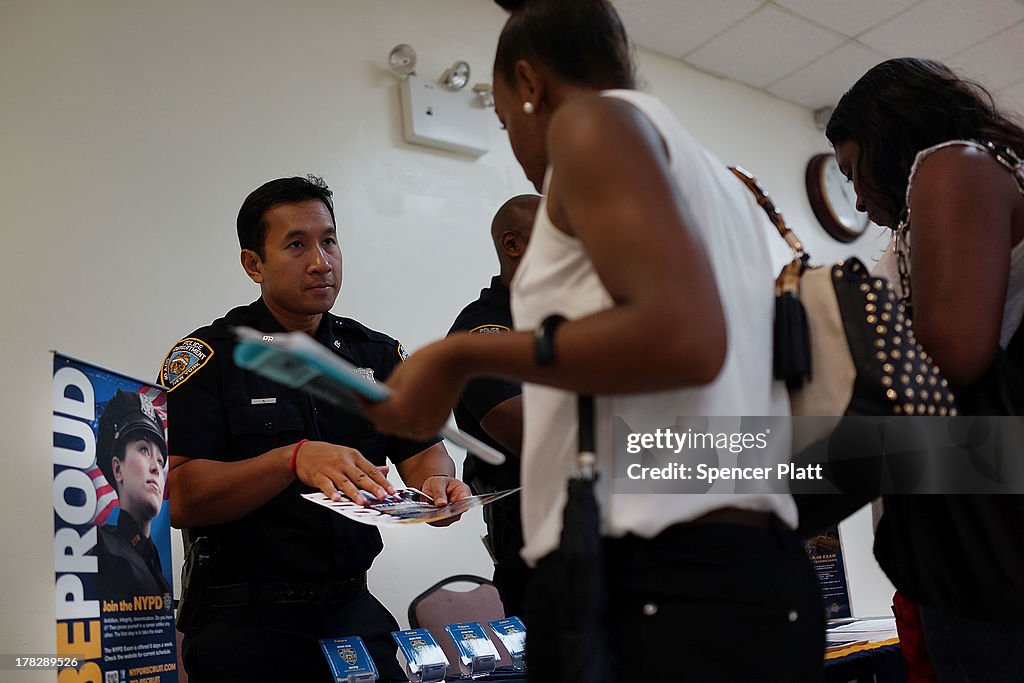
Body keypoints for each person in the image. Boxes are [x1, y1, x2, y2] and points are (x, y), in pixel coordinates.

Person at [363, 1, 825, 680]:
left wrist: (458, 355)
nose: (519, 155)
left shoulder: (592, 121)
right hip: (754, 568)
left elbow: (686, 339)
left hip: (652, 584)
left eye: (503, 123)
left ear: (530, 85)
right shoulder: (723, 182)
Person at [162, 175, 472, 683]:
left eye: (329, 240)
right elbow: (179, 497)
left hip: (351, 609)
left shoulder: (375, 355)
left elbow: (423, 453)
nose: (320, 261)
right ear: (253, 264)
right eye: (296, 244)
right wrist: (290, 459)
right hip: (247, 623)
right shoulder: (208, 358)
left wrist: (437, 484)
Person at [826, 57, 1024, 681]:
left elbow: (952, 360)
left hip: (986, 497)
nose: (858, 198)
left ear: (890, 135)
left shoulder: (951, 164)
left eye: (854, 173)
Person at [447, 194, 539, 619]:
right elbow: (533, 433)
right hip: (539, 547)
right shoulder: (484, 328)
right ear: (513, 244)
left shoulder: (577, 323)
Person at [94, 389, 172, 601]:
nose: (156, 468)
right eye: (144, 450)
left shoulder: (153, 559)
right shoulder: (100, 548)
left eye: (160, 460)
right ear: (117, 469)